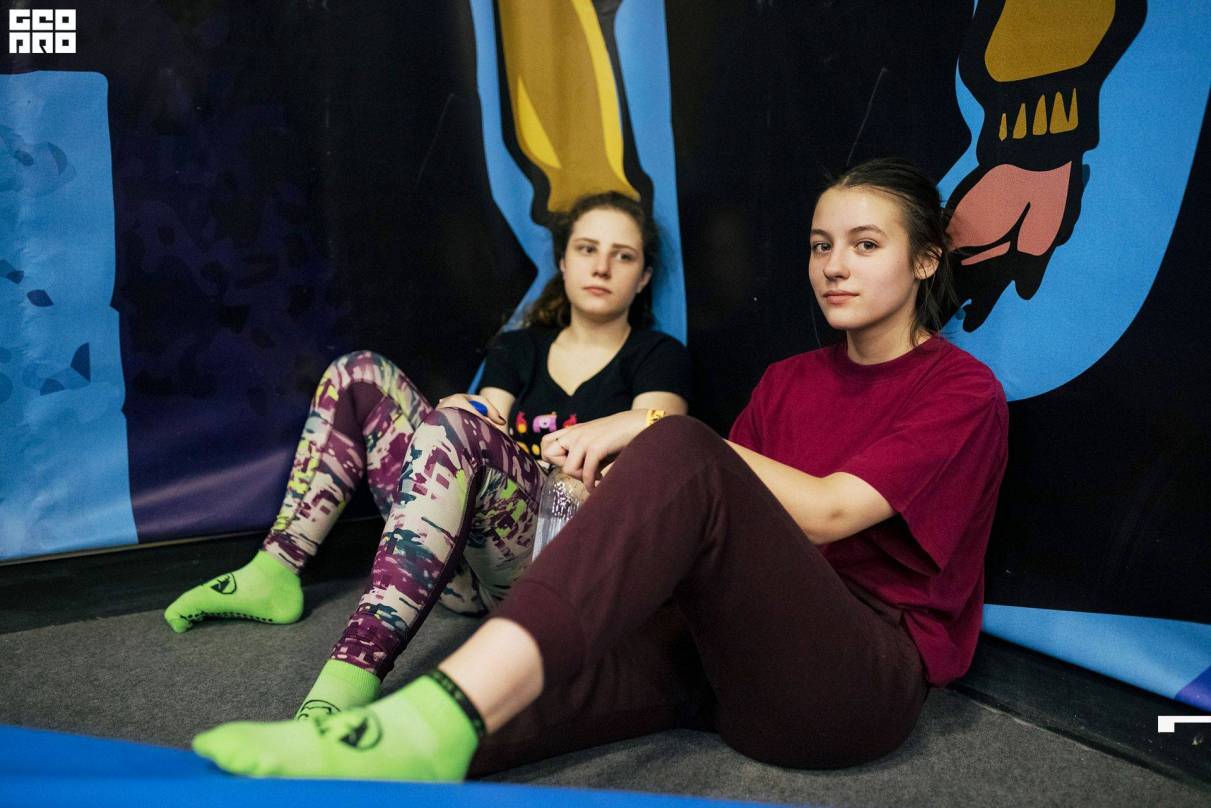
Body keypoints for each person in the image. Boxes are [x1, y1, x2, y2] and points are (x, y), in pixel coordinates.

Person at [191, 157, 1009, 780]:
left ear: (925, 260)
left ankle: (427, 717)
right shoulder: (787, 380)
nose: (833, 265)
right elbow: (725, 524)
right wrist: (625, 495)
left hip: (849, 685)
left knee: (679, 443)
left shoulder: (961, 391)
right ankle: (356, 748)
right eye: (821, 246)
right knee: (508, 699)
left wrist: (652, 430)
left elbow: (827, 512)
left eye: (865, 246)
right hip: (725, 654)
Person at [165, 190, 691, 720]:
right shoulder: (520, 348)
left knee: (485, 441)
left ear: (643, 277)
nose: (601, 267)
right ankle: (275, 570)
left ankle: (353, 669)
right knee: (359, 374)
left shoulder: (657, 355)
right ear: (563, 260)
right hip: (454, 569)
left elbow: (661, 448)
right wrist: (460, 414)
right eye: (587, 248)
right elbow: (488, 423)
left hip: (557, 572)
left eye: (623, 255)